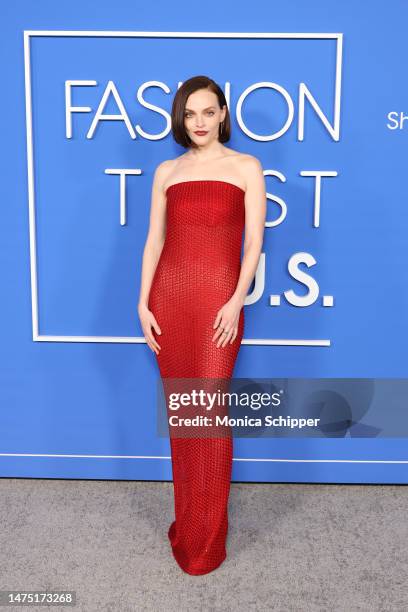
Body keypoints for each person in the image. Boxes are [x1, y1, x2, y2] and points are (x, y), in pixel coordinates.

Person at [138, 75, 266, 575]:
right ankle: (187, 524)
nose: (199, 123)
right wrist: (142, 303)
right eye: (190, 114)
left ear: (222, 115)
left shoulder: (246, 167)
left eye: (208, 112)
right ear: (180, 117)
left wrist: (236, 301)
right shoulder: (167, 171)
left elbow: (253, 242)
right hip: (169, 299)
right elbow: (154, 242)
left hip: (218, 301)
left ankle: (206, 543)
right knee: (184, 418)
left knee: (208, 416)